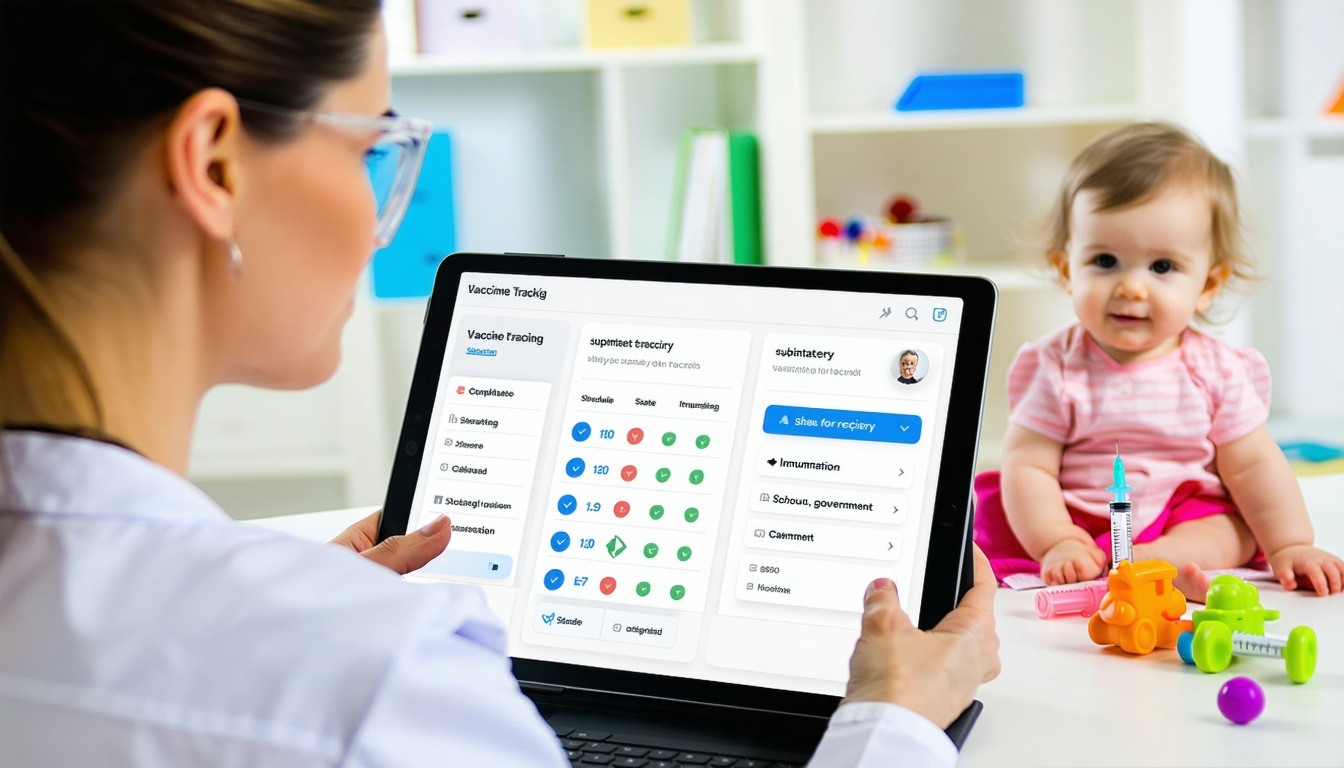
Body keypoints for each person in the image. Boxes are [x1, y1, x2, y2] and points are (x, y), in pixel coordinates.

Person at [0, 2, 999, 765]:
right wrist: (893, 725)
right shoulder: (373, 681)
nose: (379, 208)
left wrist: (293, 607)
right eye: (372, 145)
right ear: (214, 163)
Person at [973, 122, 1344, 598]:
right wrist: (1057, 541)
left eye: (1162, 267)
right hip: (1083, 517)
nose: (1131, 287)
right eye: (1105, 261)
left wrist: (1292, 544)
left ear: (1208, 285)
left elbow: (1252, 465)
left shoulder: (1217, 370)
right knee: (1012, 510)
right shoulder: (1056, 366)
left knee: (1232, 529)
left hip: (1186, 511)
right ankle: (1101, 560)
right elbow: (1029, 465)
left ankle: (1160, 561)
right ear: (1067, 270)